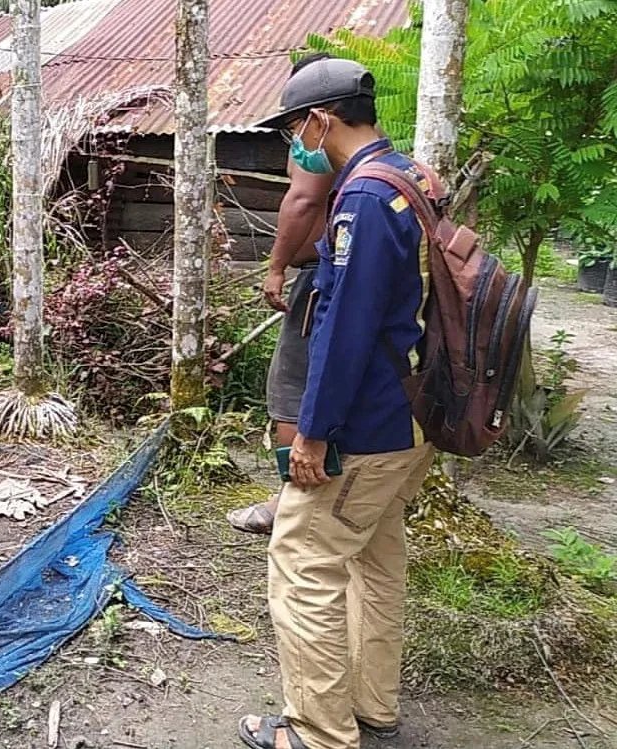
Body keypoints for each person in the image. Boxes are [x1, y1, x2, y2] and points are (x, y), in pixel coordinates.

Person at [237, 58, 436, 749]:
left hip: (370, 424)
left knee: (304, 561)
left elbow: (344, 327)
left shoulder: (363, 201)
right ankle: (371, 703)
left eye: (296, 128)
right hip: (415, 413)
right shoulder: (410, 177)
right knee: (377, 559)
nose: (297, 144)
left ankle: (319, 732)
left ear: (321, 120)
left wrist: (314, 434)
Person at [227, 52, 336, 536]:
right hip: (334, 274)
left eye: (294, 119)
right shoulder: (369, 153)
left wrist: (274, 267)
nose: (292, 132)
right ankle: (314, 499)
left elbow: (304, 198)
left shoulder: (317, 140)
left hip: (317, 277)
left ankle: (289, 505)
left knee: (291, 392)